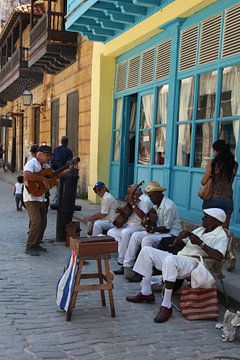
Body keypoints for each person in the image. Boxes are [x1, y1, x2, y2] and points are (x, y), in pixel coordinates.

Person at [126, 208, 228, 323]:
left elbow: (219, 256)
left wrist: (201, 243)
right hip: (180, 258)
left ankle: (166, 305)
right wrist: (180, 237)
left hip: (195, 263)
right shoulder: (200, 230)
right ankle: (146, 292)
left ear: (215, 221)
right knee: (146, 251)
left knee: (171, 259)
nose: (203, 218)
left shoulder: (221, 235)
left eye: (206, 217)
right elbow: (177, 246)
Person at [123, 181, 182, 281]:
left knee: (147, 240)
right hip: (159, 231)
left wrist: (152, 228)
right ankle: (127, 266)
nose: (151, 199)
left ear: (159, 193)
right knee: (136, 236)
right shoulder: (156, 204)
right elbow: (153, 217)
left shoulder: (168, 206)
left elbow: (166, 228)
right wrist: (147, 220)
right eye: (149, 196)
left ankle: (145, 271)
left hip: (170, 234)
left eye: (152, 196)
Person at [23, 145, 72, 256]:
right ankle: (29, 246)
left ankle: (36, 244)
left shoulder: (45, 166)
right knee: (36, 222)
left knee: (43, 222)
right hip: (31, 198)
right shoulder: (32, 163)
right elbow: (26, 175)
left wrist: (67, 170)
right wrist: (43, 179)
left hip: (40, 198)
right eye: (47, 155)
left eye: (50, 155)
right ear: (39, 154)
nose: (49, 158)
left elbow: (56, 175)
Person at [107, 183, 153, 274]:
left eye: (130, 193)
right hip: (129, 226)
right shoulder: (133, 200)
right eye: (128, 193)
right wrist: (121, 211)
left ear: (137, 191)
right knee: (111, 232)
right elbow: (127, 214)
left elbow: (144, 217)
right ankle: (123, 252)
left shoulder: (145, 200)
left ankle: (122, 260)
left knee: (125, 233)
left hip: (139, 227)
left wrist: (133, 205)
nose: (129, 195)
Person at [201, 139, 238, 229]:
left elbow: (203, 182)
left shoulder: (213, 163)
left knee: (208, 228)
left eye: (214, 150)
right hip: (227, 199)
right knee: (224, 230)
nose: (214, 153)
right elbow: (230, 181)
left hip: (213, 198)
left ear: (217, 151)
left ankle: (205, 243)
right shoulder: (234, 165)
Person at [52, 136, 73, 204]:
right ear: (67, 142)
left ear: (61, 142)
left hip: (56, 171)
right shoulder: (68, 151)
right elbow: (70, 163)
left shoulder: (56, 149)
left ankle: (56, 199)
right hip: (64, 171)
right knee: (63, 186)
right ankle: (59, 200)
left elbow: (53, 160)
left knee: (58, 185)